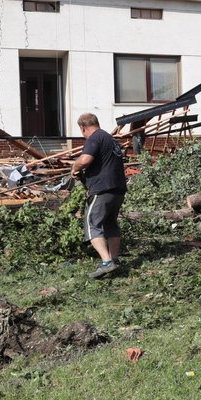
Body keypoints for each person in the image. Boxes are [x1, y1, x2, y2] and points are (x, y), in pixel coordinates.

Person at [71, 112, 127, 279]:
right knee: (111, 224)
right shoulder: (111, 140)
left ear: (82, 128)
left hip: (101, 190)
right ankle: (114, 260)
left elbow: (85, 160)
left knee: (92, 223)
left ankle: (107, 262)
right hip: (117, 189)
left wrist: (75, 168)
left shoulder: (94, 138)